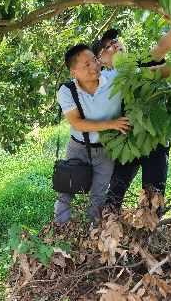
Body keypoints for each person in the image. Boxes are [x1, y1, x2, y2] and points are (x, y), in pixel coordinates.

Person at [92, 18, 171, 214]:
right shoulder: (102, 82)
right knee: (114, 195)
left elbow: (162, 46)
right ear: (99, 61)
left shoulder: (139, 63)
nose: (114, 45)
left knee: (153, 199)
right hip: (127, 142)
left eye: (115, 40)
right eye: (107, 46)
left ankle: (148, 238)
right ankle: (106, 234)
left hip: (155, 141)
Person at [55, 45, 131, 222]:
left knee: (97, 196)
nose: (94, 66)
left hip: (106, 149)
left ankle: (92, 235)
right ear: (74, 73)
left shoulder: (113, 78)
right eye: (87, 64)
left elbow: (143, 70)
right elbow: (77, 123)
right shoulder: (67, 91)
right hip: (78, 147)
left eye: (94, 60)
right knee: (66, 192)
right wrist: (112, 124)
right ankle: (59, 233)